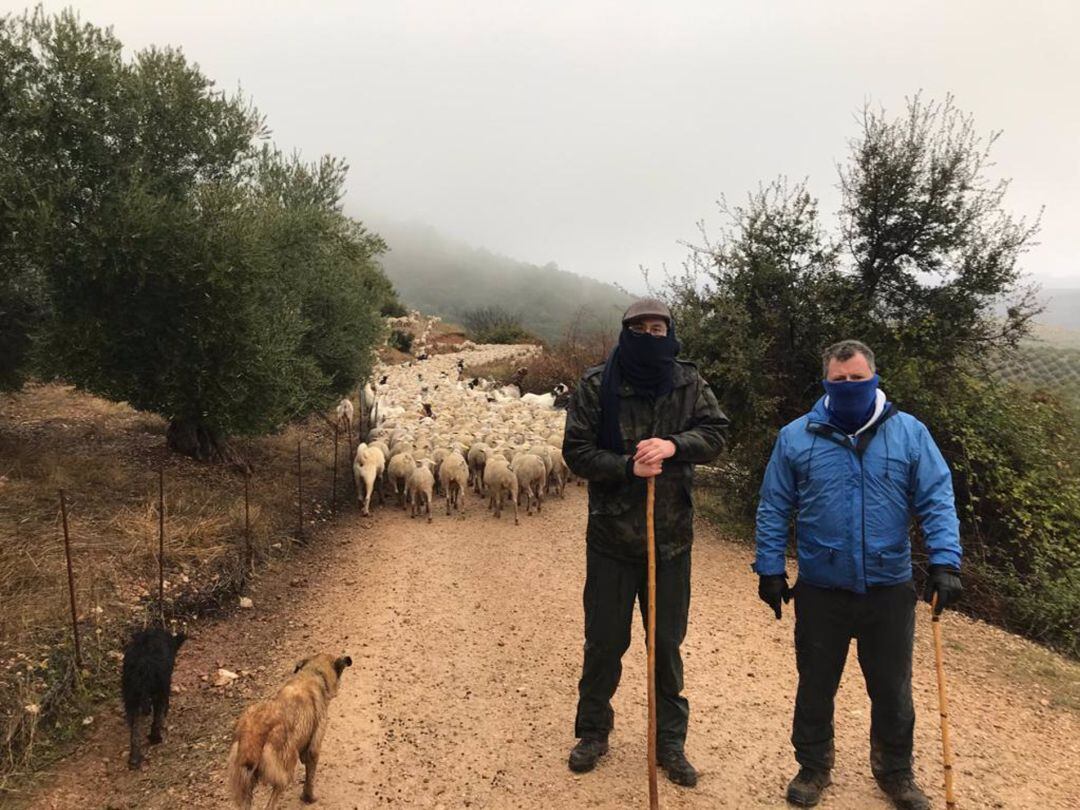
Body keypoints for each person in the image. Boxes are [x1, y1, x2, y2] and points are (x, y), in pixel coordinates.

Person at [754, 340, 963, 809]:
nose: (849, 386)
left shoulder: (909, 434)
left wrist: (946, 562)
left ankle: (895, 773)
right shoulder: (797, 436)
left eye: (857, 378)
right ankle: (812, 767)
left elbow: (936, 498)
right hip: (820, 589)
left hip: (889, 589)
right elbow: (773, 506)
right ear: (826, 381)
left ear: (875, 377)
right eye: (839, 379)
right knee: (815, 685)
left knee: (891, 689)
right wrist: (769, 569)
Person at [562, 298, 728, 787]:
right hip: (612, 539)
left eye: (659, 329)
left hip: (671, 540)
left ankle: (669, 742)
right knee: (604, 643)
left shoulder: (687, 382)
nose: (651, 336)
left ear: (670, 333)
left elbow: (716, 434)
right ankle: (593, 730)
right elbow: (576, 452)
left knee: (666, 646)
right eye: (641, 329)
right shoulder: (597, 385)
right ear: (626, 332)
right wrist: (626, 466)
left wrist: (675, 445)